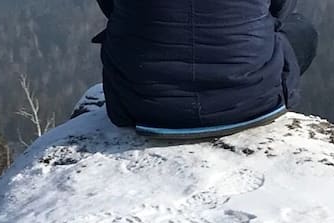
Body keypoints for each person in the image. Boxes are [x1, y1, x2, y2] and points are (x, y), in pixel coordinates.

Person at [94, 0, 319, 140]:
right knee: (300, 29)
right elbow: (280, 10)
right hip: (254, 101)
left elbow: (112, 10)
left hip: (141, 106)